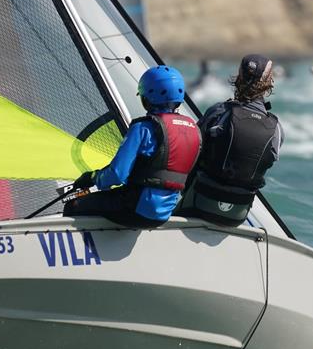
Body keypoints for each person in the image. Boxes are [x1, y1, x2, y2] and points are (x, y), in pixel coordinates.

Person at [63, 65, 202, 227]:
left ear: (147, 97)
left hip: (134, 208)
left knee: (73, 205)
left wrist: (92, 177)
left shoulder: (143, 128)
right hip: (164, 214)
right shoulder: (194, 130)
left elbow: (117, 175)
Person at [177, 54, 283, 226]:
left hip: (197, 205)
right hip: (237, 216)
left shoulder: (219, 112)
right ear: (269, 82)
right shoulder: (276, 128)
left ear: (239, 76)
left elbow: (191, 150)